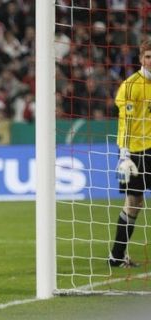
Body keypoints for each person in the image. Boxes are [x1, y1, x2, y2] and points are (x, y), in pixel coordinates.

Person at [110, 39, 151, 268]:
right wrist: (124, 154)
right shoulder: (131, 85)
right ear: (141, 59)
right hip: (134, 151)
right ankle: (116, 256)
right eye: (148, 57)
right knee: (134, 202)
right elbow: (125, 121)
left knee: (136, 202)